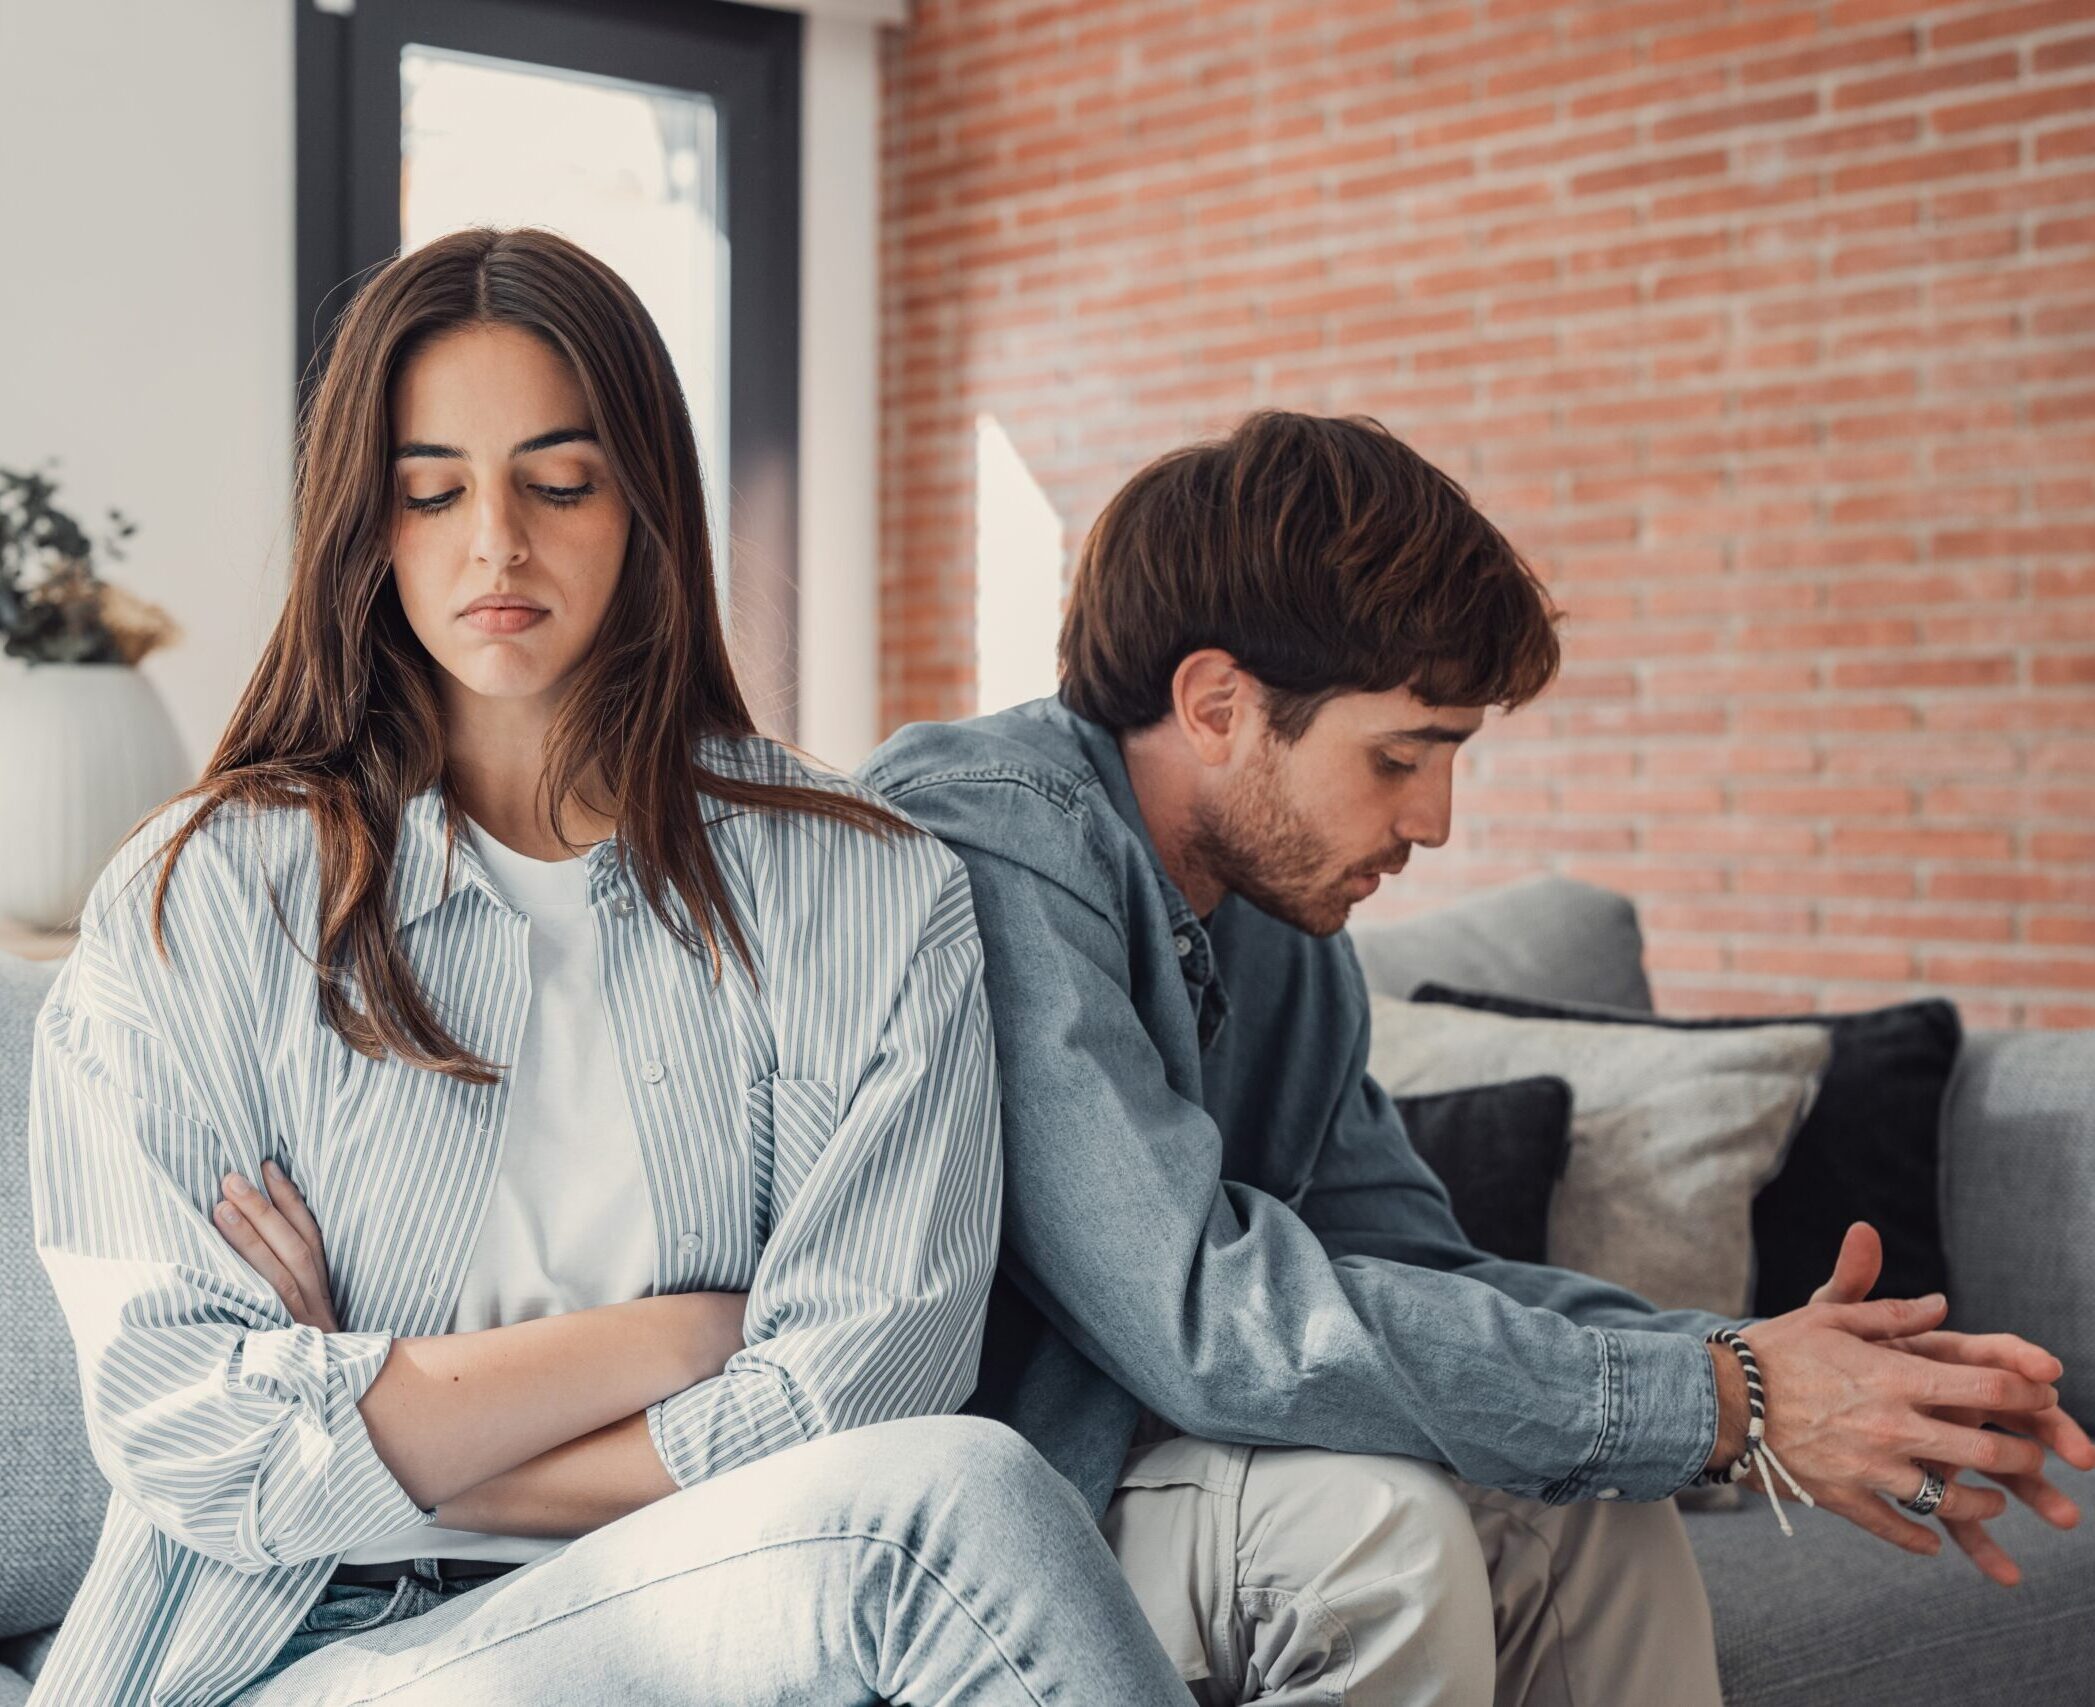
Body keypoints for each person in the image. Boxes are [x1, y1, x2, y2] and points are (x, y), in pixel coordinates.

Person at [26, 227, 1197, 1707]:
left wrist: (394, 1412)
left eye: (559, 482)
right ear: (361, 526)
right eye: (429, 490)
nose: (495, 543)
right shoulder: (202, 900)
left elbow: (863, 1392)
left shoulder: (868, 891)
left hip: (712, 1589)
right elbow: (197, 1439)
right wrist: (682, 1336)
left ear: (645, 501)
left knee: (950, 1498)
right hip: (293, 1651)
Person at [862, 409, 2095, 1706]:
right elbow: (1204, 1319)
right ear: (1216, 704)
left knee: (1596, 1511)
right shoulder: (996, 836)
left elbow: (1414, 1265)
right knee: (1385, 1542)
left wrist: (1780, 1369)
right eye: (1400, 756)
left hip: (1176, 1461)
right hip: (998, 1509)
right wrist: (1726, 1399)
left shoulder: (1283, 932)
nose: (1435, 823)